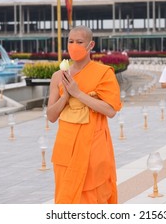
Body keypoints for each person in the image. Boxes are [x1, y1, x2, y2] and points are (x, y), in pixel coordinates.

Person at [47, 25, 122, 204]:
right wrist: (65, 96)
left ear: (90, 45)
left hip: (93, 146)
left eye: (79, 42)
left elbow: (111, 111)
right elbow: (50, 116)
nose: (74, 46)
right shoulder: (59, 76)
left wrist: (78, 93)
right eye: (71, 42)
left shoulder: (103, 73)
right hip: (65, 147)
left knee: (94, 196)